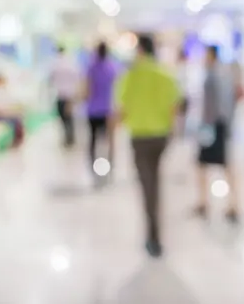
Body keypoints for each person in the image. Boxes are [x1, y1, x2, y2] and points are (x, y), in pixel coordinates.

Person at [113, 34, 180, 258]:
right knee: (155, 180)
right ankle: (154, 232)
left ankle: (153, 235)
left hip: (140, 137)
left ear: (140, 50)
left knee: (147, 184)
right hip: (161, 137)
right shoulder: (166, 75)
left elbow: (121, 110)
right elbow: (174, 108)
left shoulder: (130, 76)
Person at [195, 45, 240, 223]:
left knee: (219, 165)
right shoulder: (220, 74)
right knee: (205, 165)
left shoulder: (214, 75)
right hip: (216, 125)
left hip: (213, 126)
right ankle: (208, 202)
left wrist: (209, 125)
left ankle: (229, 204)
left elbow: (217, 105)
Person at [85, 42, 117, 179]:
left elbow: (87, 88)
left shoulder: (91, 67)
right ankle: (109, 166)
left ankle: (93, 166)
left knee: (93, 139)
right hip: (108, 110)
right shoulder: (112, 67)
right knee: (108, 140)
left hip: (93, 109)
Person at [50, 46, 80, 147]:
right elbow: (77, 79)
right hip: (70, 96)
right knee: (69, 118)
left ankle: (68, 138)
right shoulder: (71, 63)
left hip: (61, 95)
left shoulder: (55, 64)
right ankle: (70, 138)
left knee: (63, 119)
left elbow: (51, 79)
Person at [0, 72, 24, 148]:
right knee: (15, 120)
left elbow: (8, 103)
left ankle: (18, 141)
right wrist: (10, 112)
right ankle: (15, 141)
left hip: (2, 114)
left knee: (18, 117)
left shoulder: (2, 91)